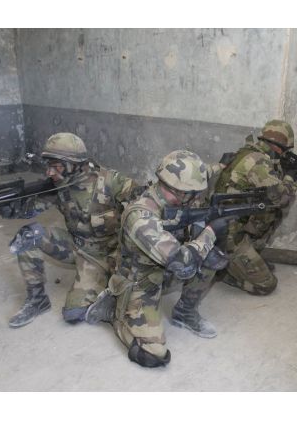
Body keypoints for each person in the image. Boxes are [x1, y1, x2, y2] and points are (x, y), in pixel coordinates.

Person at [93, 150, 229, 368]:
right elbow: (182, 264)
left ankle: (184, 312)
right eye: (193, 194)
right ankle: (114, 313)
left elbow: (202, 173)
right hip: (141, 281)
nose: (196, 198)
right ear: (182, 193)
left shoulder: (177, 190)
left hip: (164, 271)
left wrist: (221, 166)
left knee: (212, 258)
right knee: (153, 355)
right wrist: (211, 232)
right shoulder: (141, 216)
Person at [0, 132, 139, 328]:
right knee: (29, 235)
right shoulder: (58, 185)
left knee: (76, 314)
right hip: (76, 247)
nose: (49, 173)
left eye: (55, 166)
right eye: (48, 166)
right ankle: (37, 300)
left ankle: (110, 287)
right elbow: (31, 209)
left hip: (109, 254)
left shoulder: (112, 182)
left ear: (76, 164)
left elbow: (143, 212)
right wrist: (9, 209)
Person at [214, 119, 297, 296]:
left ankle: (246, 257)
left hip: (228, 222)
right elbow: (283, 198)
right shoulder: (259, 162)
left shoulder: (248, 152)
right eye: (285, 150)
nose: (284, 154)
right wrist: (290, 177)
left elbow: (266, 192)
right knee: (266, 285)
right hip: (229, 234)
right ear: (277, 147)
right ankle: (224, 271)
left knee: (271, 213)